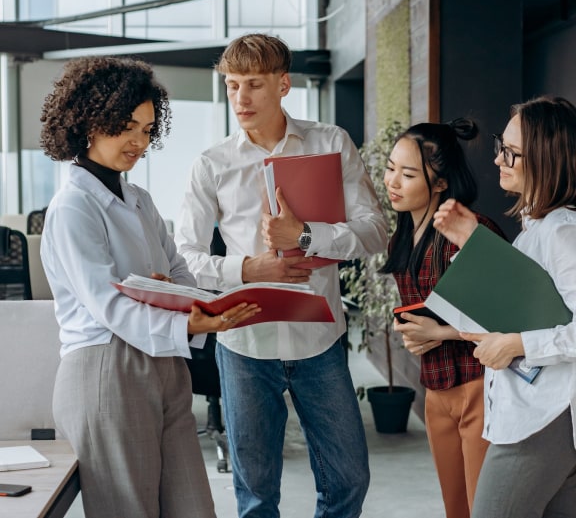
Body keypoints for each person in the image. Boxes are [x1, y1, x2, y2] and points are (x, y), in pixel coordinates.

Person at [175, 33, 387, 518]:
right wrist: (251, 268)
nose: (241, 98)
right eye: (232, 86)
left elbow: (375, 232)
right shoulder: (211, 165)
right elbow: (185, 258)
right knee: (255, 496)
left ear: (284, 84)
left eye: (253, 84)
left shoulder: (330, 143)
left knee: (349, 478)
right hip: (244, 345)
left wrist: (306, 235)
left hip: (319, 339)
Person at [39, 56, 260, 518]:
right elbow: (109, 304)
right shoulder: (73, 206)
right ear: (89, 122)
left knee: (193, 508)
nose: (139, 142)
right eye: (127, 127)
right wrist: (183, 316)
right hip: (106, 369)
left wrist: (196, 306)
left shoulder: (140, 199)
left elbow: (179, 271)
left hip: (165, 364)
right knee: (129, 511)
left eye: (147, 129)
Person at [433, 96, 576, 518]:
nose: (498, 159)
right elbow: (530, 303)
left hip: (544, 416)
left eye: (511, 152)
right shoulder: (537, 227)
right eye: (501, 145)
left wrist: (514, 344)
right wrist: (473, 246)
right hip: (536, 412)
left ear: (548, 160)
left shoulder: (562, 232)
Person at [382, 118, 505, 518]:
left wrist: (441, 331)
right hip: (435, 391)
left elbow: (509, 316)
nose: (393, 181)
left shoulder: (472, 231)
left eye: (408, 173)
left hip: (480, 388)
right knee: (456, 509)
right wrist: (414, 334)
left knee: (484, 508)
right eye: (390, 168)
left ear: (440, 184)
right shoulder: (402, 234)